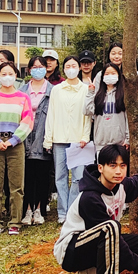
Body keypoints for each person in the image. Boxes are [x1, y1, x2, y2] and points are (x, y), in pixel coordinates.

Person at [55, 145, 138, 274]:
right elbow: (110, 236)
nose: (118, 171)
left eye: (122, 165)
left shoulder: (121, 187)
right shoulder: (90, 198)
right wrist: (137, 266)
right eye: (112, 166)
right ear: (101, 168)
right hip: (71, 252)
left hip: (97, 242)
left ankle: (90, 272)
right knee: (110, 227)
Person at [0, 61, 35, 236]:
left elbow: (28, 121)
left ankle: (15, 221)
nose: (7, 77)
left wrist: (13, 140)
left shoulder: (23, 98)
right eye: (3, 74)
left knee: (16, 185)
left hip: (16, 143)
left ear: (16, 75)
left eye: (10, 74)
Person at [43, 55, 92, 224]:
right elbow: (51, 114)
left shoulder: (85, 89)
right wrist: (48, 138)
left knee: (78, 177)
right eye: (68, 66)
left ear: (79, 68)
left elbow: (87, 116)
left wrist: (85, 136)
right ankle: (62, 212)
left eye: (74, 66)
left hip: (79, 140)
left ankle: (73, 209)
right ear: (63, 69)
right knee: (60, 177)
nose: (71, 69)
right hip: (59, 139)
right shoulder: (57, 90)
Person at [20, 57, 55, 223]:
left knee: (42, 176)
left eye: (41, 66)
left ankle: (39, 209)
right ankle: (27, 209)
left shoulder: (53, 91)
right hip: (24, 139)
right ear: (29, 70)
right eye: (34, 67)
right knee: (27, 176)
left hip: (43, 137)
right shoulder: (21, 91)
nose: (38, 69)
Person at [86, 63, 130, 149]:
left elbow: (128, 118)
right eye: (106, 74)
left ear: (119, 75)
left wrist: (128, 139)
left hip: (119, 143)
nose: (110, 76)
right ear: (102, 77)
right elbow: (87, 111)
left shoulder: (123, 95)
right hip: (101, 142)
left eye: (113, 73)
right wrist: (91, 92)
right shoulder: (98, 96)